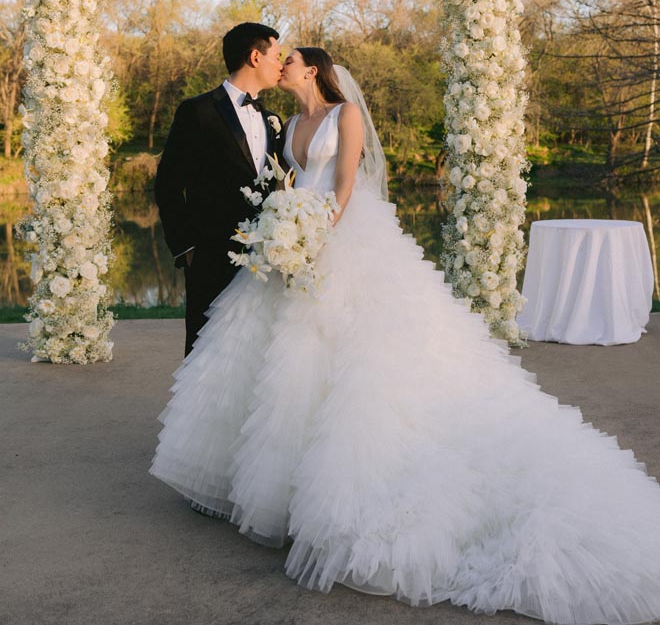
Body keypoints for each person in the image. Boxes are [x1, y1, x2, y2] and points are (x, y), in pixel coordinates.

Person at [150, 47, 660, 623]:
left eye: (290, 58)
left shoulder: (344, 116)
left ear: (312, 69)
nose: (282, 65)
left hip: (340, 237)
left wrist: (314, 232)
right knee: (280, 365)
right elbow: (283, 183)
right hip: (292, 242)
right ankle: (283, 491)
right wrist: (281, 230)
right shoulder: (287, 123)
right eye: (280, 57)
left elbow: (343, 184)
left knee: (355, 362)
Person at [154, 22, 284, 356]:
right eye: (277, 56)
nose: (281, 65)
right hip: (211, 254)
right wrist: (186, 249)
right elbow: (168, 183)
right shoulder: (197, 111)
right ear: (256, 57)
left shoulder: (273, 119)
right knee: (204, 350)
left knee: (257, 349)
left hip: (265, 258)